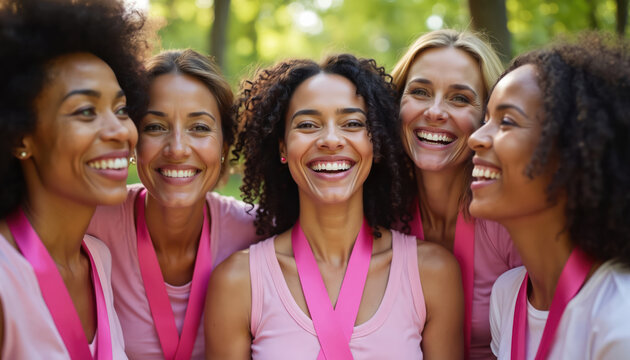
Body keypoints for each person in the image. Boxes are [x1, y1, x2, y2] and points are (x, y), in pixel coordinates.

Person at [205, 54, 464, 359]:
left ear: (376, 143)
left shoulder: (432, 273)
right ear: (282, 147)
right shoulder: (239, 282)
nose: (330, 139)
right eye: (308, 124)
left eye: (352, 123)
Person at [87, 49, 260, 359]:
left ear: (225, 145)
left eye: (200, 128)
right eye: (155, 127)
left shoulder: (256, 234)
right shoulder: (90, 224)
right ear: (132, 140)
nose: (177, 148)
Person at [0, 0, 148, 358]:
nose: (120, 131)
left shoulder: (97, 259)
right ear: (22, 138)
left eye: (121, 109)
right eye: (86, 111)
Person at [468, 33, 630, 359]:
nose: (475, 138)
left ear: (574, 150)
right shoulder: (508, 296)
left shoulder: (618, 317)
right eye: (485, 120)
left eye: (507, 121)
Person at [390, 29, 520, 360]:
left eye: (459, 98)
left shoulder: (509, 219)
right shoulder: (380, 214)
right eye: (419, 91)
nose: (435, 112)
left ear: (487, 117)